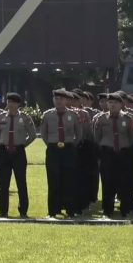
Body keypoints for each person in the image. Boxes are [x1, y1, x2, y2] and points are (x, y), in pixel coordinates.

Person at [92, 93, 133, 218]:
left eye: (115, 103)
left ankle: (125, 209)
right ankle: (107, 210)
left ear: (121, 104)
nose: (112, 105)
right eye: (110, 103)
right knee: (107, 182)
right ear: (107, 104)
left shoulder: (128, 118)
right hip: (108, 152)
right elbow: (97, 136)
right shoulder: (100, 119)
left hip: (123, 152)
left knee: (124, 182)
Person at [40, 89, 81, 218]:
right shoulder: (47, 115)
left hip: (68, 149)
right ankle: (53, 210)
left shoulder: (73, 115)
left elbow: (78, 133)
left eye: (61, 99)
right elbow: (44, 133)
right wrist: (51, 144)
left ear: (66, 101)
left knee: (69, 180)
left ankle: (70, 209)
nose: (58, 101)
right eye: (56, 99)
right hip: (53, 149)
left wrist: (72, 144)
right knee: (53, 180)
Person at [0, 92, 36, 218]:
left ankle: (23, 210)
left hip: (18, 152)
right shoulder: (1, 117)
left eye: (13, 102)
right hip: (4, 152)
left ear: (18, 104)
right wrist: (1, 145)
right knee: (3, 183)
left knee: (21, 182)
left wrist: (22, 145)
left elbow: (33, 135)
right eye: (8, 102)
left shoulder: (25, 118)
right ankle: (3, 210)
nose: (10, 105)